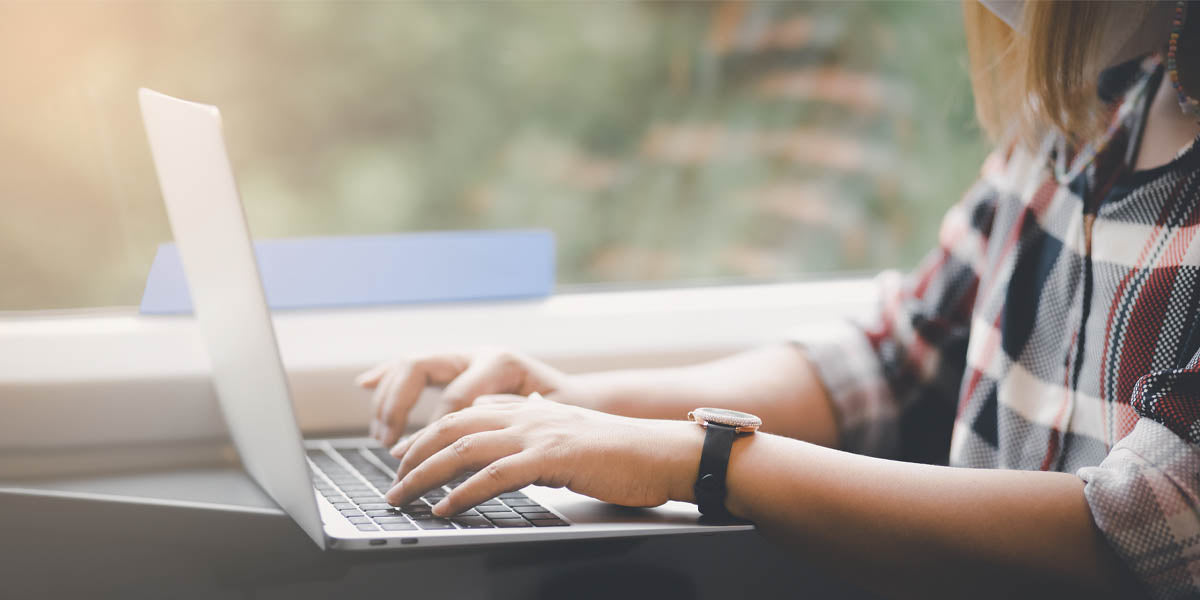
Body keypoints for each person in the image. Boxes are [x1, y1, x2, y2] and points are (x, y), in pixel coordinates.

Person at [356, 2, 1200, 598]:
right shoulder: (1073, 121)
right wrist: (583, 408)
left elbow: (1133, 533)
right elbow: (893, 359)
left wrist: (709, 459)